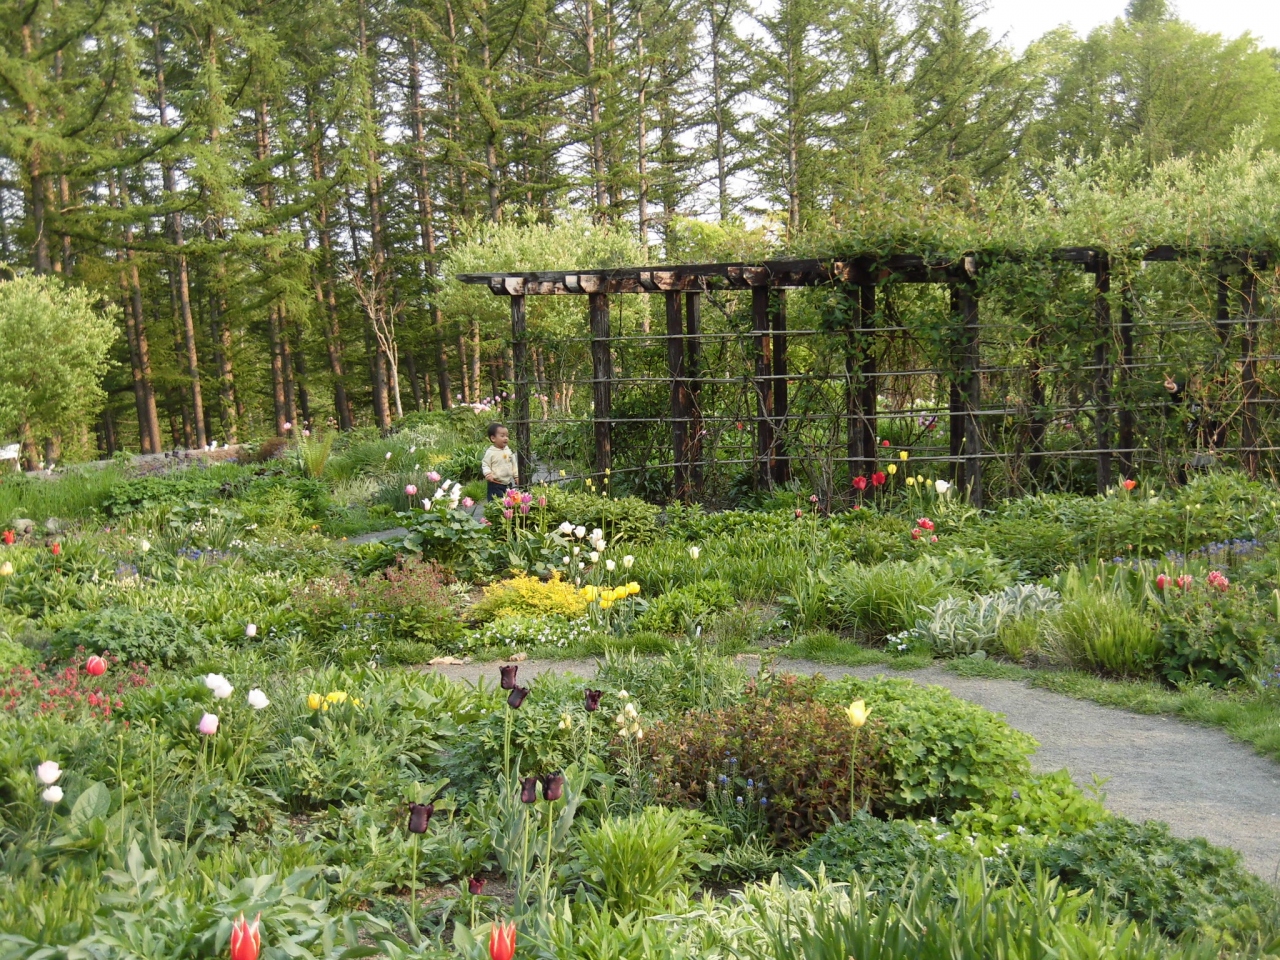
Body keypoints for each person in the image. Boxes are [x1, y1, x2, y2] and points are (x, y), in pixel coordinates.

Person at [483, 422, 519, 500]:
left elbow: (514, 464)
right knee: (496, 503)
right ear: (493, 438)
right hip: (495, 484)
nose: (506, 438)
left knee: (508, 503)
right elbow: (485, 464)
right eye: (502, 436)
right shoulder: (491, 452)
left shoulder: (508, 451)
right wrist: (488, 473)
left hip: (508, 483)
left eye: (507, 436)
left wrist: (516, 476)